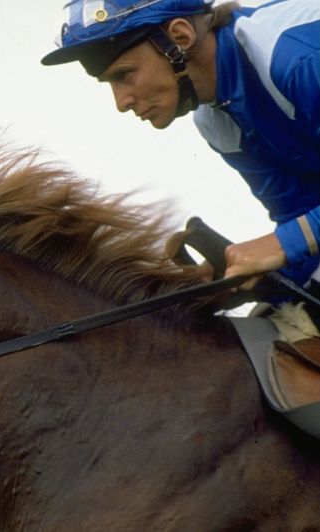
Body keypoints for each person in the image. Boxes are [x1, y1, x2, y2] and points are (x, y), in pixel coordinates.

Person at [40, 0, 320, 363]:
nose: (121, 102)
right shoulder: (215, 121)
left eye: (124, 75)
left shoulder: (294, 57)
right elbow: (301, 215)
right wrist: (254, 281)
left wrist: (281, 245)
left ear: (180, 37)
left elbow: (294, 236)